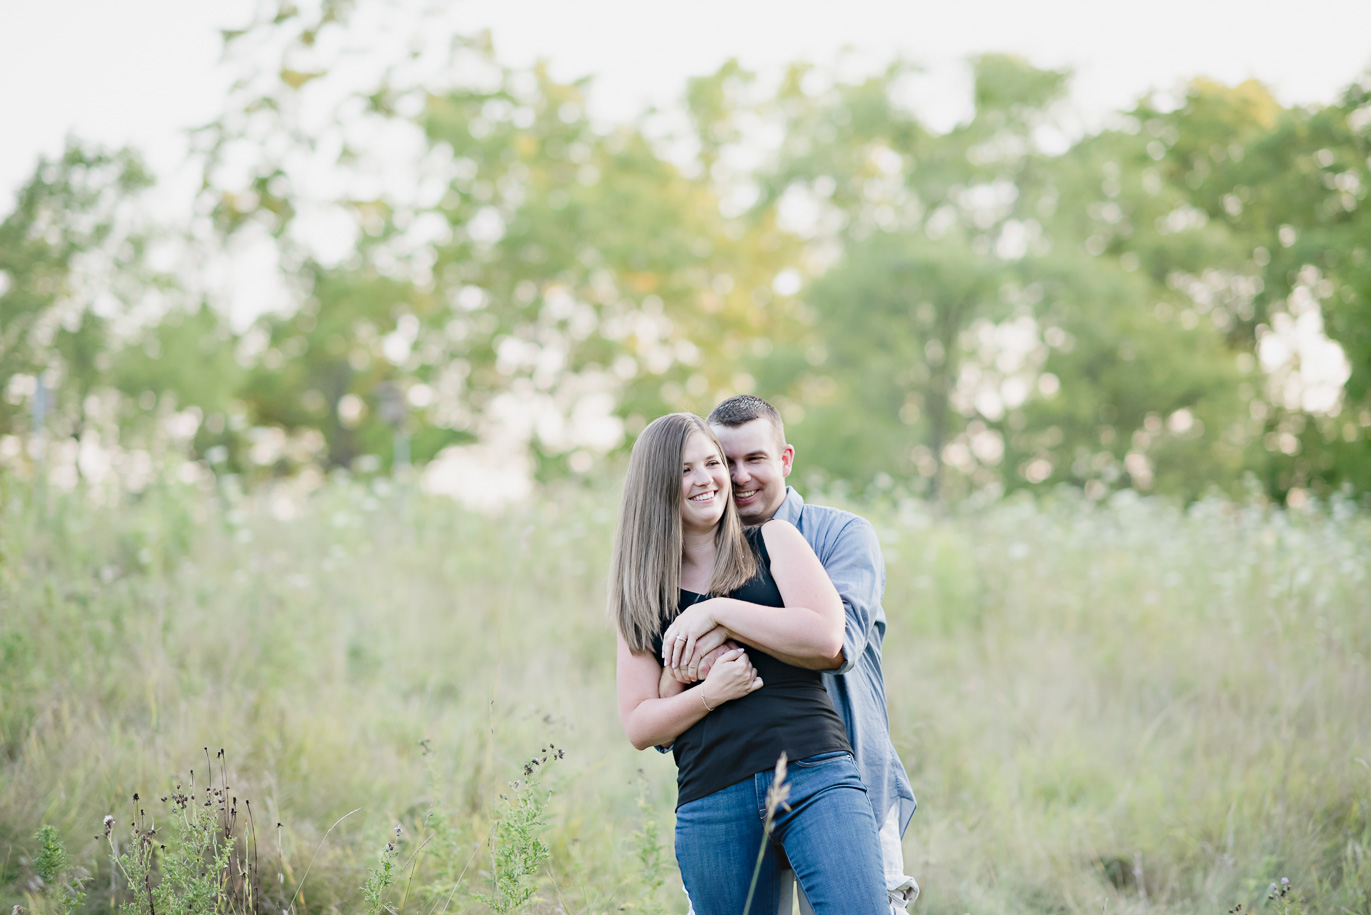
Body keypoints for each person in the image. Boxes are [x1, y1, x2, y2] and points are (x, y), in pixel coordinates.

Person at [611, 413, 889, 915]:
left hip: (814, 772)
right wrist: (707, 694)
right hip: (711, 797)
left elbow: (826, 636)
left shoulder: (775, 541)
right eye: (685, 470)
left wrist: (717, 612)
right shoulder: (639, 594)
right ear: (656, 486)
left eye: (711, 463)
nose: (709, 479)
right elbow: (638, 723)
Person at [669, 395, 919, 914]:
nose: (738, 478)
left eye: (754, 459)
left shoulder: (841, 536)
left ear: (784, 459)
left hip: (843, 780)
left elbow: (838, 645)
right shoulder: (689, 559)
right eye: (724, 461)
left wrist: (718, 614)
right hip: (731, 790)